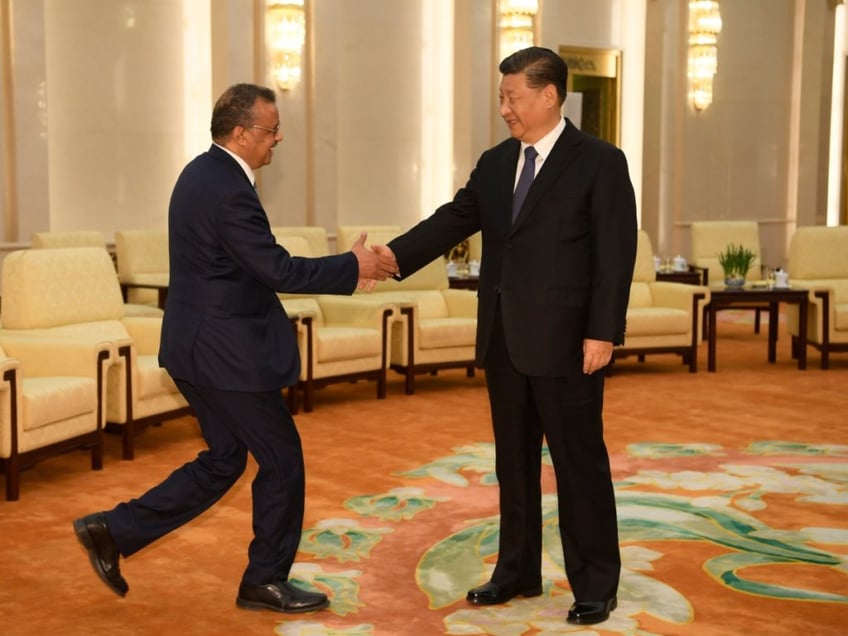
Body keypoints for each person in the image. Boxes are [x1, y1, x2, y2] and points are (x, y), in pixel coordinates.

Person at [72, 83, 398, 614]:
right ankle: (265, 580)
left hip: (200, 348)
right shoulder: (227, 189)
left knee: (224, 459)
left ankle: (113, 529)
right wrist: (351, 266)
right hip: (225, 356)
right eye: (271, 131)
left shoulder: (204, 173)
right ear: (242, 133)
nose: (278, 139)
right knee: (283, 461)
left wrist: (346, 267)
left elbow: (246, 268)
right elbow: (276, 268)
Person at [377, 47, 637, 626]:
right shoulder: (496, 163)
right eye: (501, 97)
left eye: (512, 97)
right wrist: (391, 257)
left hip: (570, 342)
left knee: (578, 465)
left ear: (549, 96)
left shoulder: (599, 161)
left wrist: (604, 331)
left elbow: (615, 255)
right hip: (503, 340)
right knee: (512, 465)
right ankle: (516, 570)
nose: (504, 109)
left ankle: (596, 583)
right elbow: (453, 219)